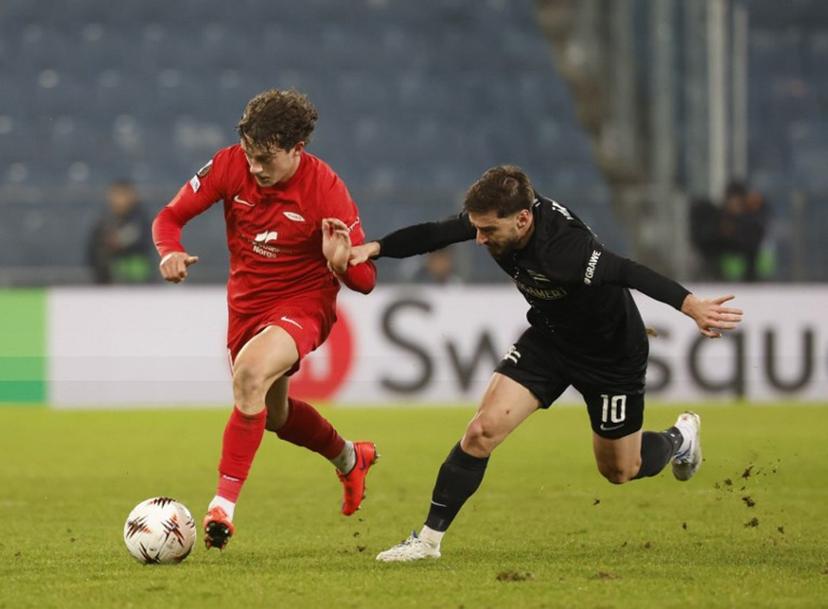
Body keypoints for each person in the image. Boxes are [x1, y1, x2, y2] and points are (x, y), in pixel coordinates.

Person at [348, 165, 743, 562]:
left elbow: (626, 271)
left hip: (611, 356)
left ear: (523, 219)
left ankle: (681, 437)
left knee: (620, 470)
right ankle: (428, 542)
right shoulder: (500, 217)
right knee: (482, 431)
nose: (479, 239)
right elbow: (435, 234)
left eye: (488, 232)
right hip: (550, 341)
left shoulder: (565, 249)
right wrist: (375, 248)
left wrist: (690, 304)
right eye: (477, 229)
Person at [152, 89, 379, 551]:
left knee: (250, 374)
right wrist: (170, 250)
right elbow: (169, 217)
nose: (255, 167)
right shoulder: (230, 164)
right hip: (247, 307)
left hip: (304, 301)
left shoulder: (326, 189)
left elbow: (366, 278)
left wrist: (341, 264)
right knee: (273, 415)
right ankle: (350, 457)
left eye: (266, 159)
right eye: (251, 155)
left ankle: (223, 507)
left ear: (298, 149)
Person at [87, 179, 154, 284]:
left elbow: (143, 242)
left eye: (123, 195)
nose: (119, 200)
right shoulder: (103, 222)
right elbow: (92, 251)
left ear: (133, 196)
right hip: (107, 280)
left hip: (138, 280)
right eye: (116, 195)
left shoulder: (141, 221)